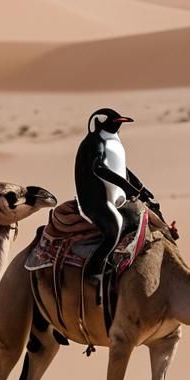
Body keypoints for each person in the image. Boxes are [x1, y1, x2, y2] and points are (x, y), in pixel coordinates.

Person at [73, 107, 158, 299]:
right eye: (113, 121)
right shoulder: (94, 142)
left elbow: (121, 169)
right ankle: (92, 272)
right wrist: (126, 187)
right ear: (99, 123)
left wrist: (140, 189)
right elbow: (99, 168)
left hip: (115, 198)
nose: (117, 125)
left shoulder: (112, 142)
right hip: (95, 200)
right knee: (115, 228)